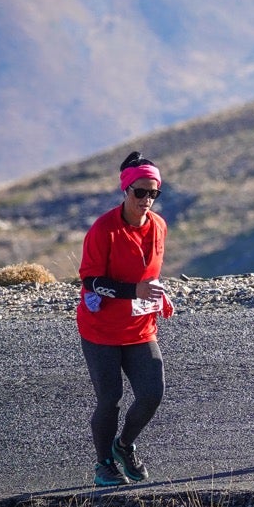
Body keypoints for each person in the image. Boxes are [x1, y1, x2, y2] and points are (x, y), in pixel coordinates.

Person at [77, 151, 174, 486]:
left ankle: (124, 445)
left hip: (140, 328)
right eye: (140, 192)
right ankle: (103, 463)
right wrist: (135, 291)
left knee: (152, 393)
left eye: (153, 193)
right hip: (101, 330)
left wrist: (160, 296)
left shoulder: (159, 226)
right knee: (110, 399)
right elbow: (91, 281)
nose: (147, 199)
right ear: (126, 191)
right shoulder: (104, 229)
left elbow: (149, 275)